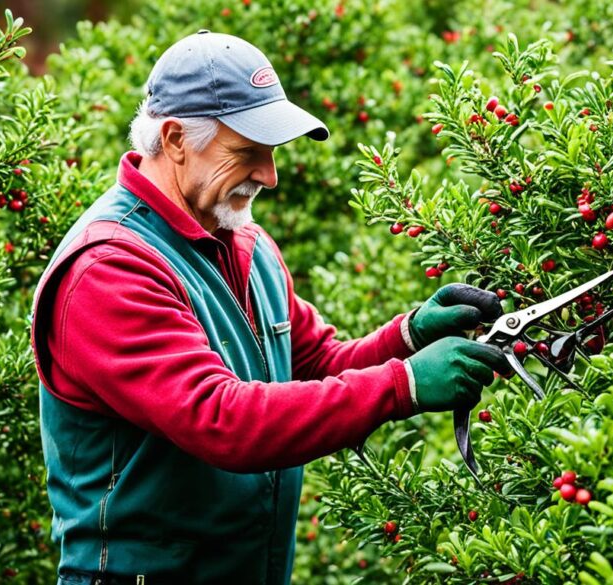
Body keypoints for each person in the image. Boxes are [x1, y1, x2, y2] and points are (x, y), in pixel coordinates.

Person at [29, 31, 510, 585]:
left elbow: (310, 362)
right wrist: (403, 386)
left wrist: (408, 338)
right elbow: (220, 420)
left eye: (272, 154)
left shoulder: (242, 240)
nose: (270, 176)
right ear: (176, 138)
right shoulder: (108, 270)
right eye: (247, 154)